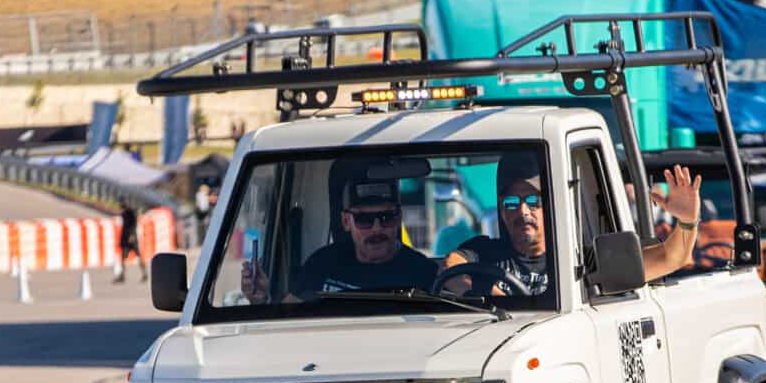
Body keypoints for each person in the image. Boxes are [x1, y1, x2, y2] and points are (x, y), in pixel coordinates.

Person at [443, 158, 703, 296]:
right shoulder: (485, 254)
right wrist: (483, 293)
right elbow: (452, 267)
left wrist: (688, 220)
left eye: (533, 201)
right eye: (511, 202)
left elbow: (672, 257)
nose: (523, 211)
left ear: (552, 205)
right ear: (501, 209)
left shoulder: (582, 259)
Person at [242, 170, 437, 303]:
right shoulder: (322, 263)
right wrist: (261, 299)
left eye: (386, 217)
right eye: (364, 220)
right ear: (346, 221)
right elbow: (285, 317)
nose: (377, 229)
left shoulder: (424, 273)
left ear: (399, 217)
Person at [115, 201, 148, 283]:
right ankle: (122, 275)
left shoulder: (131, 213)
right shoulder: (124, 214)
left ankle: (145, 274)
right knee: (123, 257)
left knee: (138, 256)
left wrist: (132, 235)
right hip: (125, 238)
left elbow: (134, 224)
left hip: (132, 238)